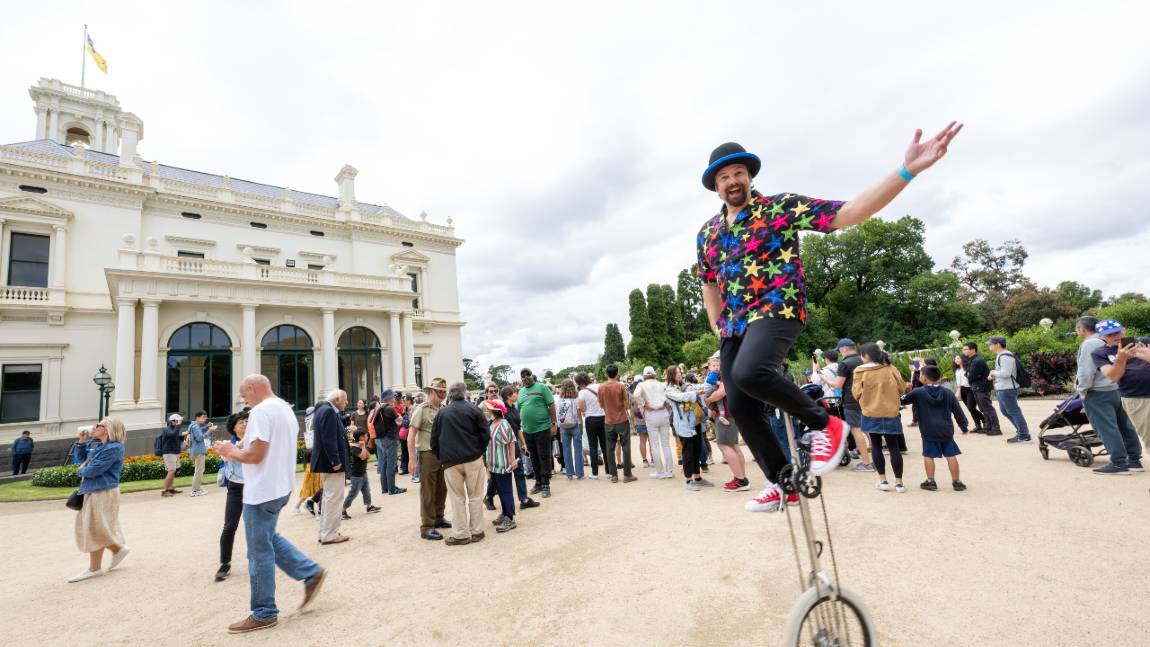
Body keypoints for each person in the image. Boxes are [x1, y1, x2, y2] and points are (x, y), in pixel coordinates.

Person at [697, 127, 961, 511]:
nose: (732, 181)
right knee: (738, 401)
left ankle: (827, 426)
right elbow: (708, 284)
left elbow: (848, 212)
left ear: (749, 177)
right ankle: (783, 480)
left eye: (738, 173)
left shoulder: (779, 208)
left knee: (752, 373)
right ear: (716, 186)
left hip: (777, 308)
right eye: (724, 177)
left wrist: (906, 171)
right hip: (735, 324)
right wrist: (717, 327)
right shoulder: (707, 234)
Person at [214, 375, 326, 634]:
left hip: (262, 489)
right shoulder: (284, 407)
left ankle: (264, 612)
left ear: (253, 388)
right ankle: (310, 572)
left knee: (258, 550)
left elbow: (255, 455)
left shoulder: (261, 411)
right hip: (280, 486)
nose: (245, 401)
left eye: (244, 395)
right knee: (267, 537)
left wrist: (230, 452)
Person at [1076, 318, 1143, 474]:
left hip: (1098, 392)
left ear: (1081, 329)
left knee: (1107, 428)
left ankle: (1119, 463)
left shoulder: (1089, 344)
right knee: (1125, 425)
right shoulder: (1122, 343)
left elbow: (1086, 371)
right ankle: (1134, 460)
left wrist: (1082, 390)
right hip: (1118, 389)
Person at [68, 417, 129, 583]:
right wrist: (81, 441)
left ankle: (96, 567)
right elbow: (82, 459)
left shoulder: (114, 448)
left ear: (108, 428)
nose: (95, 427)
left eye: (99, 425)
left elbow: (96, 469)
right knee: (94, 527)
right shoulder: (98, 445)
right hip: (94, 490)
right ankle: (116, 550)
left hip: (103, 491)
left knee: (95, 528)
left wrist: (80, 472)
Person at [432, 382, 491, 546]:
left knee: (457, 498)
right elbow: (485, 434)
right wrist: (479, 450)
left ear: (450, 394)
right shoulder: (474, 409)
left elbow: (434, 440)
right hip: (473, 458)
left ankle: (461, 534)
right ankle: (477, 531)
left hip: (451, 461)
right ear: (465, 393)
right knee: (476, 495)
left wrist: (442, 458)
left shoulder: (441, 413)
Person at [852, 343, 908, 493]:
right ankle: (899, 483)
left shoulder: (859, 371)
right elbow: (902, 388)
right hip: (891, 412)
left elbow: (855, 393)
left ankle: (883, 481)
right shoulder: (891, 368)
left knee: (876, 446)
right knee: (894, 447)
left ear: (865, 356)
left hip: (870, 413)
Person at [902, 366, 968, 491]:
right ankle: (957, 482)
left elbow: (902, 401)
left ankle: (930, 481)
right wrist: (963, 426)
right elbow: (958, 411)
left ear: (924, 378)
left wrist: (906, 390)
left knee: (928, 455)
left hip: (928, 429)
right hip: (946, 429)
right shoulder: (948, 392)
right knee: (951, 455)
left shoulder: (918, 392)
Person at [1093, 328, 1150, 454]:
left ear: (1124, 331)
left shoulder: (1144, 342)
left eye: (1117, 332)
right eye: (1110, 334)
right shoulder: (1100, 353)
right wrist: (1121, 359)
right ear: (1102, 337)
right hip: (1137, 398)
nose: (1115, 336)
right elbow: (1113, 376)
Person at [409, 378, 452, 540]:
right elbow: (411, 434)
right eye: (439, 391)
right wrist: (412, 459)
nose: (442, 394)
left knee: (442, 487)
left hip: (443, 453)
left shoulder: (444, 408)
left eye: (444, 391)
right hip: (427, 453)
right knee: (428, 490)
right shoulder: (422, 409)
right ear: (431, 392)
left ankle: (439, 517)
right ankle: (427, 526)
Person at [311, 389, 351, 545]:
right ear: (336, 399)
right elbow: (329, 440)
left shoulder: (323, 409)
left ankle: (326, 532)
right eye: (345, 400)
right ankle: (330, 534)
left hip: (326, 462)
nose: (346, 403)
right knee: (334, 498)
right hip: (331, 463)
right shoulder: (328, 411)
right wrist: (335, 461)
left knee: (329, 498)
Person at [831, 340, 875, 473]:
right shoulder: (864, 359)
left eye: (839, 350)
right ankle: (876, 458)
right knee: (869, 428)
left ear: (844, 349)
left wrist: (823, 377)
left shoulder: (845, 364)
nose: (839, 353)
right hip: (867, 399)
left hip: (851, 401)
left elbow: (837, 385)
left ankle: (866, 463)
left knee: (856, 430)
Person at [666, 365, 712, 491]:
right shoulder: (669, 390)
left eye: (680, 372)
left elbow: (698, 387)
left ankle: (697, 477)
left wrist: (703, 387)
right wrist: (695, 392)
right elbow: (683, 397)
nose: (680, 374)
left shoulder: (684, 385)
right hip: (683, 425)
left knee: (697, 449)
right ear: (671, 375)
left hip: (695, 422)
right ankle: (688, 480)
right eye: (677, 372)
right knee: (687, 452)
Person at [216, 410, 249, 582]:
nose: (244, 424)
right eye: (240, 422)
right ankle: (225, 563)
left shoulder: (256, 442)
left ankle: (259, 558)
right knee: (230, 526)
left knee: (257, 525)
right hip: (236, 488)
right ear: (233, 427)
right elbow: (229, 454)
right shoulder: (228, 444)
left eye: (247, 421)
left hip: (254, 488)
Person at [518, 369, 557, 498]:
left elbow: (551, 405)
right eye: (523, 376)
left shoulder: (541, 387)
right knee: (533, 456)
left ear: (532, 376)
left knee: (544, 456)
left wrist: (553, 423)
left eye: (527, 375)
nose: (525, 378)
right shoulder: (521, 392)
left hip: (543, 428)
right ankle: (538, 482)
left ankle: (546, 484)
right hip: (528, 430)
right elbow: (520, 410)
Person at [482, 399, 519, 533]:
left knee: (506, 492)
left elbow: (511, 441)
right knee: (502, 491)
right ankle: (505, 513)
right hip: (495, 464)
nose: (486, 411)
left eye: (488, 409)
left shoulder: (503, 424)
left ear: (495, 411)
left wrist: (513, 460)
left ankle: (509, 517)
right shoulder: (493, 423)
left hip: (502, 464)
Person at [595, 364, 635, 483]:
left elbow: (601, 404)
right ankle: (627, 474)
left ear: (606, 374)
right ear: (617, 374)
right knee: (626, 446)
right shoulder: (620, 386)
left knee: (610, 448)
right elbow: (626, 404)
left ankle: (613, 475)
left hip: (608, 420)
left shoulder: (601, 387)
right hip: (622, 419)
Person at [987, 336, 1031, 443]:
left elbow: (1006, 373)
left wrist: (992, 372)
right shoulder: (1001, 355)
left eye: (990, 344)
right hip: (1003, 388)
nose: (989, 346)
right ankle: (1022, 431)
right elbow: (1004, 373)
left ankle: (1024, 435)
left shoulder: (1005, 356)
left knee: (1013, 411)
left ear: (997, 344)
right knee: (1006, 411)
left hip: (1007, 389)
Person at [634, 366, 674, 479]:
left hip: (651, 414)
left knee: (655, 445)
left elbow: (636, 395)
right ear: (654, 374)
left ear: (644, 375)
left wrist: (644, 404)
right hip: (663, 412)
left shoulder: (641, 385)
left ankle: (660, 472)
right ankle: (669, 471)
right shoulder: (662, 384)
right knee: (666, 444)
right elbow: (668, 395)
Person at [961, 342, 1002, 436]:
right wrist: (968, 374)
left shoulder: (977, 360)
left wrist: (968, 374)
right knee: (983, 408)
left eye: (965, 349)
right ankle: (988, 427)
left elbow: (971, 375)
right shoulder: (972, 360)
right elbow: (968, 374)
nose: (964, 351)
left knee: (987, 407)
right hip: (976, 386)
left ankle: (996, 428)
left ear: (972, 350)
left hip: (981, 387)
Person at [372, 390, 406, 496]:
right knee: (391, 463)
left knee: (385, 463)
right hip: (390, 438)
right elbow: (400, 420)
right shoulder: (390, 408)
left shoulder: (380, 408)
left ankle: (385, 488)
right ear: (389, 397)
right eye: (392, 396)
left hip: (383, 438)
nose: (394, 398)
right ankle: (392, 488)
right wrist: (399, 417)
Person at [342, 429, 381, 519]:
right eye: (366, 435)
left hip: (363, 472)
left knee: (367, 490)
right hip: (356, 475)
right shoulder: (355, 448)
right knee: (353, 493)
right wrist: (362, 447)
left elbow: (368, 456)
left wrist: (363, 446)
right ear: (361, 437)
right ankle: (342, 510)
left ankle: (369, 506)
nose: (368, 437)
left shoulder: (361, 445)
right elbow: (363, 457)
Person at [575, 373, 607, 480]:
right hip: (603, 417)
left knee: (593, 446)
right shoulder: (599, 386)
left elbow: (583, 409)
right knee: (605, 445)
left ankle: (595, 473)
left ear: (580, 383)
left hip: (590, 419)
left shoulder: (582, 392)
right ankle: (609, 471)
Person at [556, 379, 585, 480]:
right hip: (575, 425)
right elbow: (579, 414)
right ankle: (579, 473)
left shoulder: (559, 398)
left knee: (566, 449)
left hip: (563, 426)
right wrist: (581, 425)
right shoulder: (576, 398)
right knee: (578, 449)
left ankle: (569, 473)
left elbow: (558, 413)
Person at [953, 354, 986, 432]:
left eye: (958, 358)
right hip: (962, 389)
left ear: (963, 359)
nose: (956, 360)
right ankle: (978, 425)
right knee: (970, 408)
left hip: (970, 389)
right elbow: (959, 382)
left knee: (971, 407)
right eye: (955, 359)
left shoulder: (968, 368)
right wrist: (958, 391)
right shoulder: (957, 370)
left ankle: (984, 420)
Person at [188, 410, 216, 497]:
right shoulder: (195, 427)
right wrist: (210, 430)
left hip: (195, 450)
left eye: (205, 417)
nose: (205, 419)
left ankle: (197, 489)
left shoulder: (193, 425)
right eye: (203, 417)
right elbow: (200, 437)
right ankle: (195, 490)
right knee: (199, 471)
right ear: (198, 417)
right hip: (198, 451)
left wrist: (207, 427)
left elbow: (199, 431)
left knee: (198, 471)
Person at [159, 413, 184, 497]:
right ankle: (165, 491)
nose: (179, 422)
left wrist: (182, 436)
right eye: (177, 421)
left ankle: (170, 488)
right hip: (169, 453)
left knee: (173, 471)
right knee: (171, 471)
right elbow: (172, 435)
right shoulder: (167, 429)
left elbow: (174, 437)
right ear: (172, 421)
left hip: (174, 453)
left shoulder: (174, 428)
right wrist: (178, 425)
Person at [704, 352, 731, 424]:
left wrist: (708, 399)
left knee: (718, 402)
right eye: (714, 365)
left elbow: (720, 394)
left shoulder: (724, 374)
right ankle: (711, 418)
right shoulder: (717, 373)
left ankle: (720, 416)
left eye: (718, 365)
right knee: (714, 403)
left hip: (728, 413)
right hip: (719, 413)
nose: (716, 367)